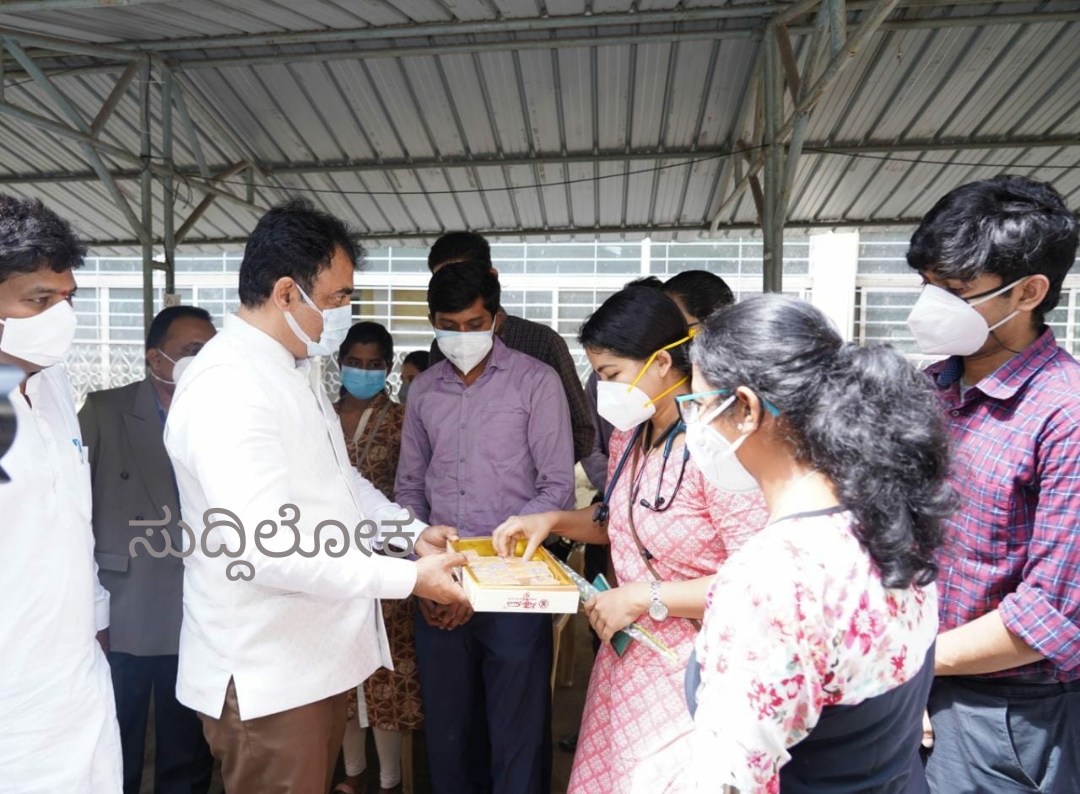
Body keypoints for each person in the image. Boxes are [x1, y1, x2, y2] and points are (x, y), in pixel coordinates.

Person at [163, 199, 468, 794]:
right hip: (267, 675)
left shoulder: (285, 371)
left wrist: (409, 534)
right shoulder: (230, 386)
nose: (340, 314)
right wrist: (409, 578)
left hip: (308, 665)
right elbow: (266, 549)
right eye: (335, 298)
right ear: (285, 293)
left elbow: (339, 483)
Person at [493, 285, 768, 793]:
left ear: (662, 362)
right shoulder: (630, 437)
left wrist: (644, 596)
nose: (602, 390)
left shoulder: (718, 449)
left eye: (611, 374)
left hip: (698, 672)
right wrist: (551, 521)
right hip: (628, 665)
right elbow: (616, 520)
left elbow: (758, 583)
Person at [684, 294, 950, 793]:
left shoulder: (771, 577)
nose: (693, 424)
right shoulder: (892, 522)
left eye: (698, 404)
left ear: (746, 408)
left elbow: (728, 781)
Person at [905, 176, 1080, 793]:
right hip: (909, 684)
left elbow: (1051, 614)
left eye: (954, 292)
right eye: (927, 285)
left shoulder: (1065, 414)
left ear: (1029, 292)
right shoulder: (930, 389)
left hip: (1002, 714)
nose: (930, 307)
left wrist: (909, 663)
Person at [396, 262, 575, 794]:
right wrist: (426, 568)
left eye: (474, 324)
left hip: (515, 585)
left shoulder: (536, 382)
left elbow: (556, 490)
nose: (462, 336)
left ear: (496, 319)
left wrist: (486, 575)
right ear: (432, 322)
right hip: (440, 583)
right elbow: (410, 489)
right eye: (448, 326)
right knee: (449, 732)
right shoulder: (423, 391)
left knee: (517, 732)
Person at [0, 194, 123, 792]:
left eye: (67, 299)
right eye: (39, 301)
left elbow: (72, 520)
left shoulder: (51, 384)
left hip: (78, 685)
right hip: (12, 708)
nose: (61, 318)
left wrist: (96, 618)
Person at [79, 305, 216, 794]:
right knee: (118, 735)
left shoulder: (224, 413)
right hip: (124, 604)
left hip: (201, 604)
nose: (203, 361)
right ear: (155, 358)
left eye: (210, 350)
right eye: (192, 351)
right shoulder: (104, 410)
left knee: (188, 741)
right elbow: (73, 510)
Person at [332, 321, 419, 794]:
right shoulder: (320, 417)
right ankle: (353, 774)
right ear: (339, 361)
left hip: (389, 561)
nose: (362, 372)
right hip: (332, 563)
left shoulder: (404, 420)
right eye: (354, 362)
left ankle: (390, 780)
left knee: (388, 676)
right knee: (342, 676)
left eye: (373, 364)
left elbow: (414, 488)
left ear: (388, 367)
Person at [425, 231, 593, 462]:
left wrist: (526, 472)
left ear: (492, 278)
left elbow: (581, 432)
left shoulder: (542, 342)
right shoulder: (440, 348)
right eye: (442, 282)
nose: (453, 290)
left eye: (465, 278)